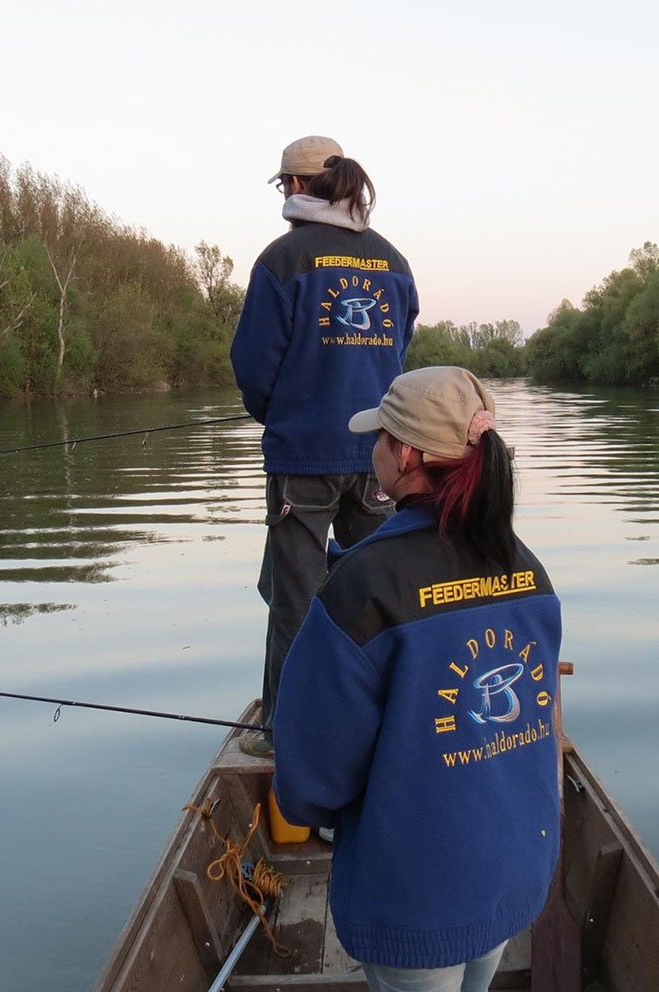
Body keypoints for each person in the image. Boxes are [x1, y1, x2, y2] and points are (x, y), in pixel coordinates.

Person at [272, 367, 563, 992]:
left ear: (403, 458)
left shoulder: (362, 586)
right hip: (511, 863)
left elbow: (310, 778)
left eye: (379, 437)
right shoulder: (526, 568)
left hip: (417, 888)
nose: (371, 448)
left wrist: (308, 808)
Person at [231, 135, 418, 755]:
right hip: (382, 458)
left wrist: (281, 415)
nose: (283, 194)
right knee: (380, 589)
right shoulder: (392, 260)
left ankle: (288, 734)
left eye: (283, 185)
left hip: (302, 458)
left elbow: (254, 367)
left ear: (297, 186)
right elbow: (399, 352)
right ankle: (383, 722)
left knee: (296, 597)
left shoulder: (282, 260)